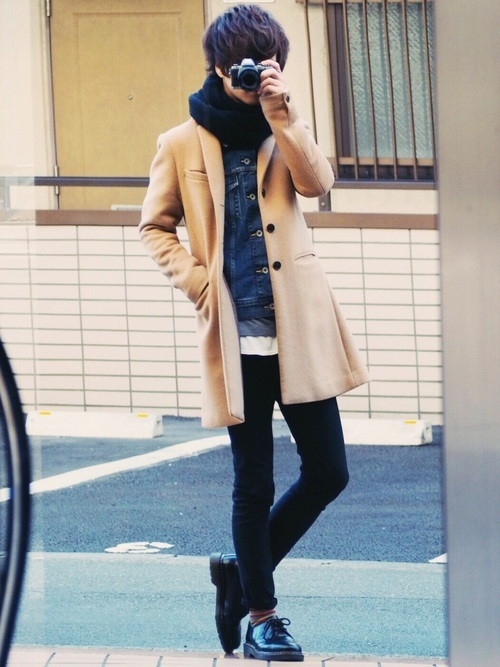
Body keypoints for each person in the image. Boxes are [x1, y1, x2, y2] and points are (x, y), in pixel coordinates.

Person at [139, 3, 369, 661]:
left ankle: (239, 576)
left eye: (264, 64)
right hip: (236, 340)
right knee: (254, 482)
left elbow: (318, 184)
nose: (251, 75)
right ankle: (262, 617)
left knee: (328, 471)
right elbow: (154, 227)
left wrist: (283, 113)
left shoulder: (284, 126)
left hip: (297, 334)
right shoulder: (180, 142)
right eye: (243, 64)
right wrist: (200, 284)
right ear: (219, 65)